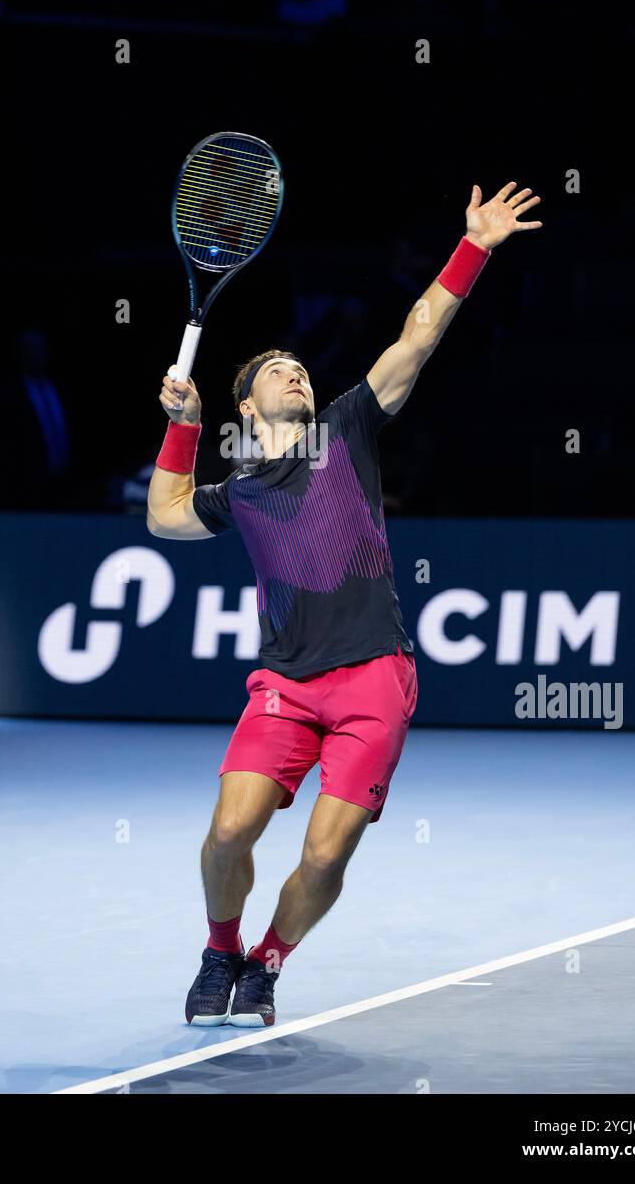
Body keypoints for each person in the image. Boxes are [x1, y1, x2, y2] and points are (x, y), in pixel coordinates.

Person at [147, 182, 542, 1028]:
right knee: (226, 834)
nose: (295, 372)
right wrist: (184, 425)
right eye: (274, 373)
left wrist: (472, 246)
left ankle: (269, 964)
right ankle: (222, 949)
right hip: (285, 685)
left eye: (299, 367)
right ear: (247, 408)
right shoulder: (240, 490)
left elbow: (420, 333)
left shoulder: (347, 430)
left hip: (373, 680)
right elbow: (165, 514)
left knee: (326, 854)